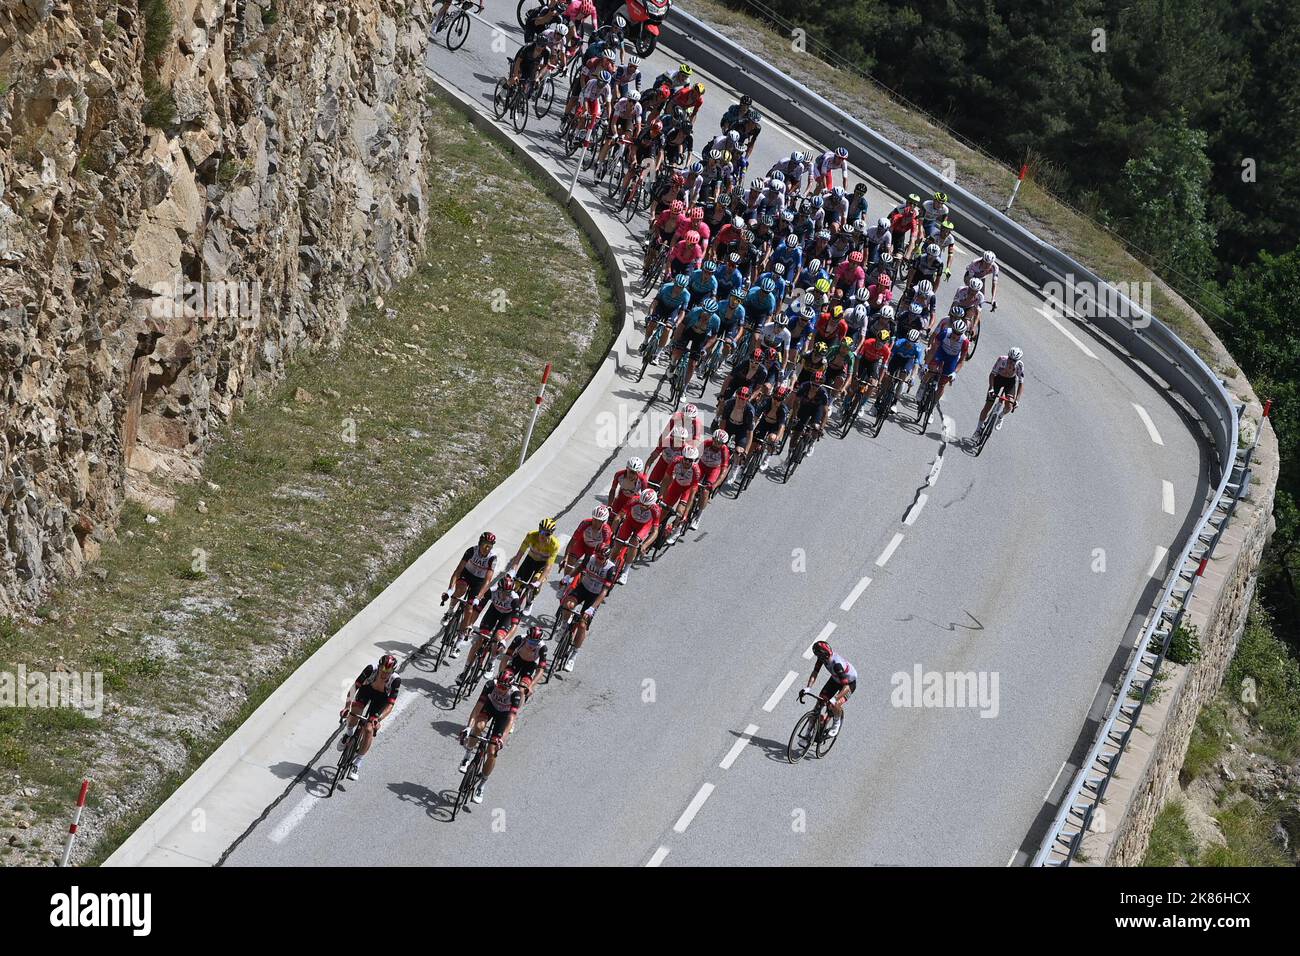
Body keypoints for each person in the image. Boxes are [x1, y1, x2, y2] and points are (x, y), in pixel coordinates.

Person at [459, 670, 521, 804]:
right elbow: (477, 708)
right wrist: (469, 727)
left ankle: (481, 785)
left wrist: (502, 739)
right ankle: (467, 755)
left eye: (504, 687)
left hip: (503, 716)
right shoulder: (490, 685)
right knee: (479, 727)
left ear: (510, 687)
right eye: (499, 685)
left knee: (492, 752)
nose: (500, 689)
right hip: (490, 707)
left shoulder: (515, 694)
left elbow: (511, 720)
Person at [337, 654, 400, 780]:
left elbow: (390, 705)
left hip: (381, 699)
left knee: (369, 729)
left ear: (392, 671)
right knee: (355, 712)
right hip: (367, 690)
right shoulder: (371, 669)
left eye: (388, 673)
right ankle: (348, 734)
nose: (384, 674)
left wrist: (379, 719)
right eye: (382, 670)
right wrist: (347, 707)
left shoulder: (395, 680)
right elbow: (354, 687)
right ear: (379, 667)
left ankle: (358, 762)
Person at [442, 531, 498, 636]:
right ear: (480, 543)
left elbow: (487, 581)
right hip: (467, 574)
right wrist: (450, 589)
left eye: (490, 546)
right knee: (460, 589)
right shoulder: (471, 551)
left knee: (469, 608)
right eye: (485, 545)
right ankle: (449, 612)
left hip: (479, 581)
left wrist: (479, 597)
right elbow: (458, 571)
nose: (487, 548)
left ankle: (460, 638)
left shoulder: (492, 558)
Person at [505, 517, 562, 613]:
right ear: (539, 530)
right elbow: (520, 554)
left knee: (536, 582)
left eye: (547, 533)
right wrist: (513, 569)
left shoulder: (554, 545)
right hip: (530, 560)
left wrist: (538, 583)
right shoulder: (531, 536)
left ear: (551, 534)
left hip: (543, 564)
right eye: (542, 532)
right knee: (517, 584)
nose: (543, 535)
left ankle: (529, 602)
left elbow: (548, 567)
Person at [806, 640, 857, 738]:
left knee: (835, 704)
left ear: (823, 655)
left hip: (848, 684)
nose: (817, 657)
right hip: (835, 680)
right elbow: (815, 672)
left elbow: (846, 687)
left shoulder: (837, 665)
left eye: (818, 655)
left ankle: (836, 723)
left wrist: (835, 699)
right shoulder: (822, 658)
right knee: (819, 704)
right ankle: (807, 735)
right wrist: (807, 688)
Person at [975, 347, 1024, 436]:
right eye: (1010, 359)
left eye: (1014, 360)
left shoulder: (1020, 366)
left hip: (1010, 383)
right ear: (1008, 356)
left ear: (1018, 361)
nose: (1011, 362)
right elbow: (992, 374)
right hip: (998, 380)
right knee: (987, 406)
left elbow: (1021, 383)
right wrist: (991, 388)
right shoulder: (1002, 360)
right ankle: (978, 429)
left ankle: (1001, 416)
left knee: (1009, 405)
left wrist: (1017, 400)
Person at [499, 625, 549, 702]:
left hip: (530, 665)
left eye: (535, 642)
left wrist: (531, 686)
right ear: (526, 638)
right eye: (531, 641)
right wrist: (501, 674)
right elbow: (506, 657)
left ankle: (515, 711)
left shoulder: (542, 648)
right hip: (518, 660)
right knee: (504, 680)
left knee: (522, 689)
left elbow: (540, 671)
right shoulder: (519, 639)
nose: (532, 645)